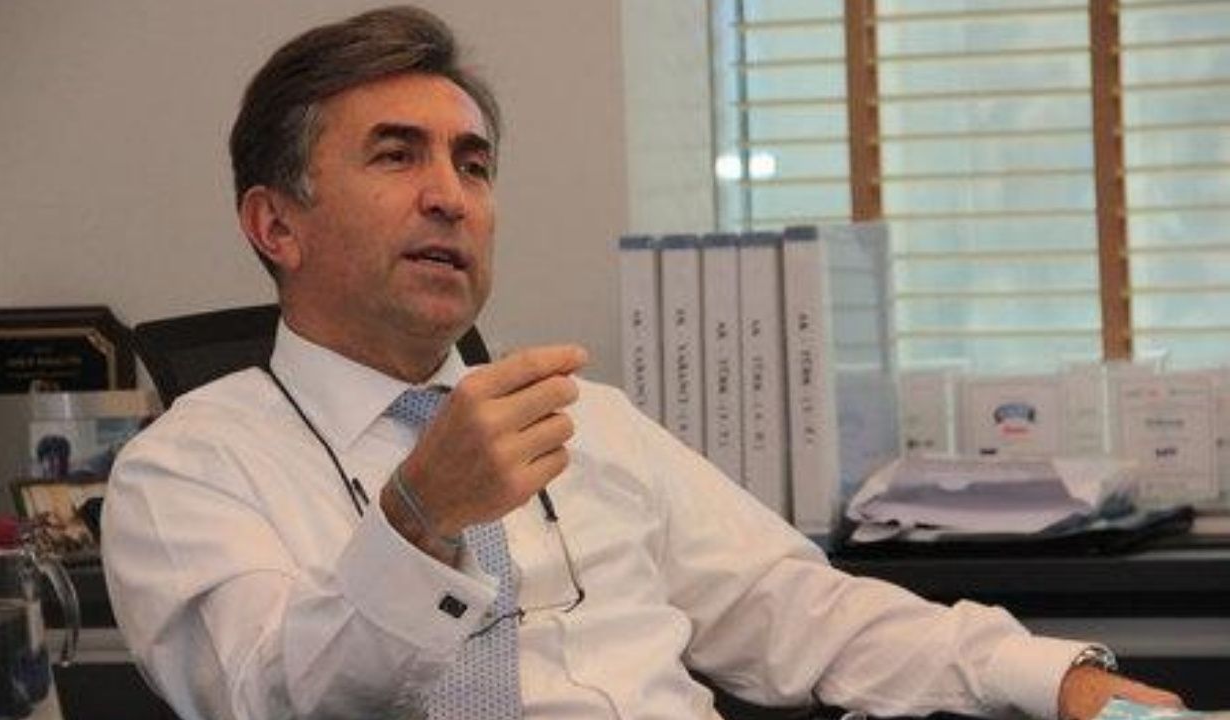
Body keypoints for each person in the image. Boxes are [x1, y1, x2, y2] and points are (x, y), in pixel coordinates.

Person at [102, 6, 1183, 720]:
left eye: (473, 166)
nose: (450, 197)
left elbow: (792, 609)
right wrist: (418, 521)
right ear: (275, 224)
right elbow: (263, 695)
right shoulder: (187, 469)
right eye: (397, 155)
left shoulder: (588, 420)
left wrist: (1056, 680)